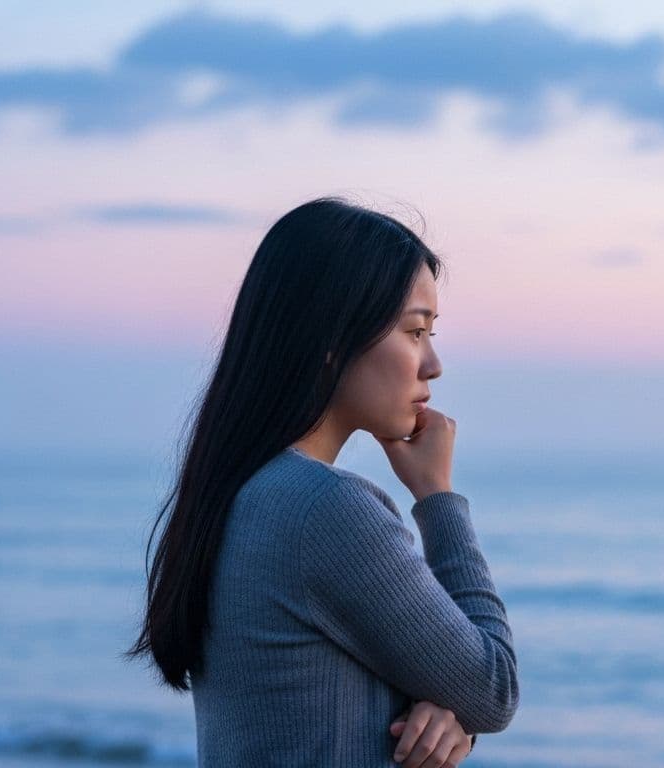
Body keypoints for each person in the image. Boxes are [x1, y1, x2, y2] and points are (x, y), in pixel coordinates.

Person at [125, 197, 519, 767]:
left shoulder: (241, 492)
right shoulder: (327, 511)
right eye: (415, 332)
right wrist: (438, 499)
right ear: (333, 338)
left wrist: (447, 713)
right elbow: (494, 688)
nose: (433, 364)